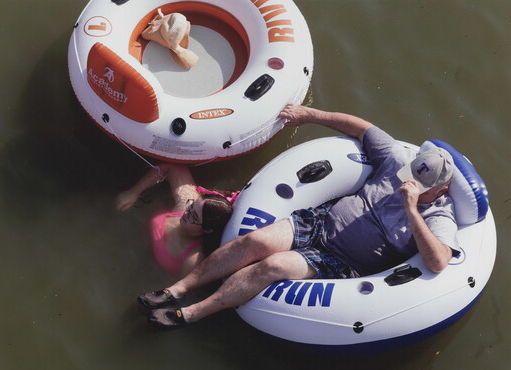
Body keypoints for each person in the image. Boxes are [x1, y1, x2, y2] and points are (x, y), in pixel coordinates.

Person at [138, 104, 460, 329]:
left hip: (343, 262)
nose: (408, 181)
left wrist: (410, 208)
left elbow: (438, 261)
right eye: (410, 174)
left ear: (440, 191)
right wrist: (308, 115)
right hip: (320, 220)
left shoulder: (438, 215)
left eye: (418, 183)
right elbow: (362, 129)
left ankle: (192, 313)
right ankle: (178, 289)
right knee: (255, 239)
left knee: (275, 266)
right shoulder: (397, 159)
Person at [117, 162, 237, 277]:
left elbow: (174, 286)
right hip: (132, 240)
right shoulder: (187, 206)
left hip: (146, 267)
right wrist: (133, 192)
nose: (186, 213)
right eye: (191, 206)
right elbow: (172, 167)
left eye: (193, 217)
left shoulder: (193, 259)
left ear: (207, 230)